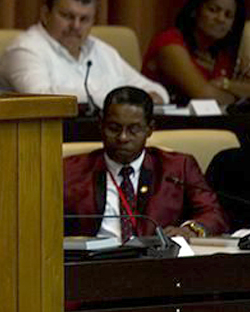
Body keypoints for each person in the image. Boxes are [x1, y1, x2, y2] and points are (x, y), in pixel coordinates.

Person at [64, 86, 229, 241]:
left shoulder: (177, 167)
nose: (123, 138)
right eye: (114, 128)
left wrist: (189, 230)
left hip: (157, 263)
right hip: (94, 263)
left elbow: (213, 214)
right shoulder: (70, 170)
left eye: (133, 129)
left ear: (150, 129)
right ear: (100, 125)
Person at [0, 0, 168, 109]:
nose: (75, 26)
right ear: (46, 14)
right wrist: (118, 97)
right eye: (67, 16)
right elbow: (42, 98)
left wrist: (149, 96)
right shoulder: (25, 50)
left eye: (84, 19)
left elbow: (156, 91)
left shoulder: (102, 50)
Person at [142, 0, 250, 105]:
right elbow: (204, 96)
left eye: (228, 15)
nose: (221, 19)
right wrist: (243, 97)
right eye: (213, 10)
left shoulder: (223, 53)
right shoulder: (169, 43)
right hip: (167, 122)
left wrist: (226, 84)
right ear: (194, 11)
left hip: (212, 122)